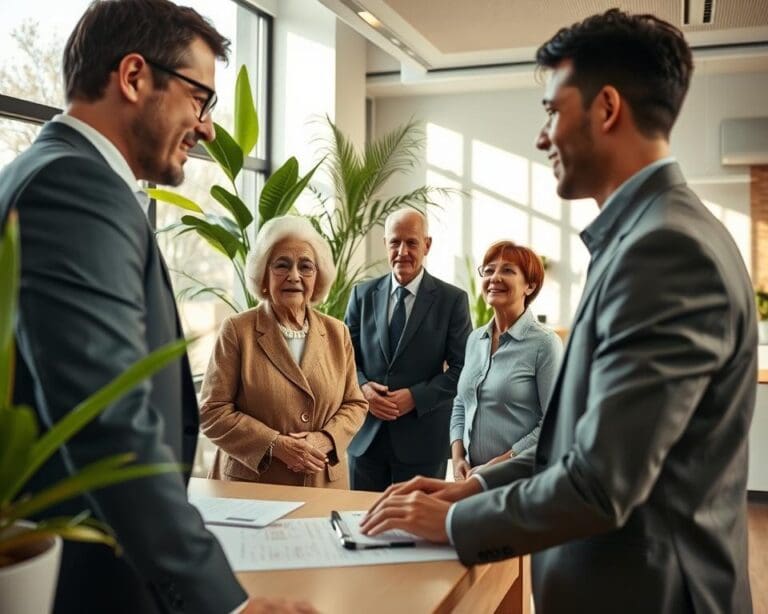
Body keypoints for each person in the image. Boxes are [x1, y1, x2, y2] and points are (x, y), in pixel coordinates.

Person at [361, 9, 756, 614]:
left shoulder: (665, 251)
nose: (542, 136)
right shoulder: (646, 237)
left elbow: (600, 482)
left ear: (605, 108)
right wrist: (468, 486)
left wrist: (457, 521)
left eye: (551, 110)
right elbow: (574, 446)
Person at [0, 1, 314, 612]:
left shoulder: (40, 173)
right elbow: (108, 419)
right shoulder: (76, 187)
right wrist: (226, 602)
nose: (208, 129)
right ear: (135, 76)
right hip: (86, 576)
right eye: (200, 99)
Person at [199, 216, 367, 487]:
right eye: (282, 265)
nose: (294, 276)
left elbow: (355, 404)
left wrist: (325, 439)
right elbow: (212, 411)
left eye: (305, 266)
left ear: (317, 278)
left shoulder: (338, 332)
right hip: (252, 486)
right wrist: (274, 444)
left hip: (321, 482)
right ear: (264, 276)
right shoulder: (237, 330)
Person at [345, 208, 472, 491]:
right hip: (366, 440)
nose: (402, 251)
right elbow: (343, 359)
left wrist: (415, 397)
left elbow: (463, 368)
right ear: (386, 243)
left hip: (423, 442)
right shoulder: (361, 295)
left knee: (414, 530)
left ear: (427, 245)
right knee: (361, 525)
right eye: (395, 242)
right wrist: (364, 388)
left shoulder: (452, 300)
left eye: (411, 242)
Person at [450, 241, 562, 481]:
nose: (494, 277)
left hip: (520, 482)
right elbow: (461, 402)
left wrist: (501, 464)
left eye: (508, 270)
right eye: (489, 270)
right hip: (471, 479)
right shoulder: (474, 339)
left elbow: (553, 425)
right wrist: (458, 457)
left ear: (529, 286)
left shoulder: (545, 343)